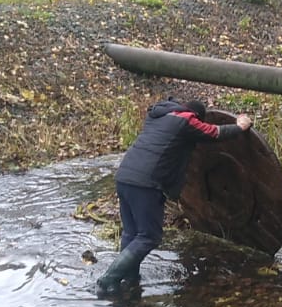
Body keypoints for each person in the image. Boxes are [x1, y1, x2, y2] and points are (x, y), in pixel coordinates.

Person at [97, 98, 253, 295]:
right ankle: (109, 277)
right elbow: (214, 132)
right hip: (146, 183)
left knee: (131, 232)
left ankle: (130, 277)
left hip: (124, 177)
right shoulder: (187, 121)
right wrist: (239, 127)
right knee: (149, 236)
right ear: (196, 115)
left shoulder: (158, 116)